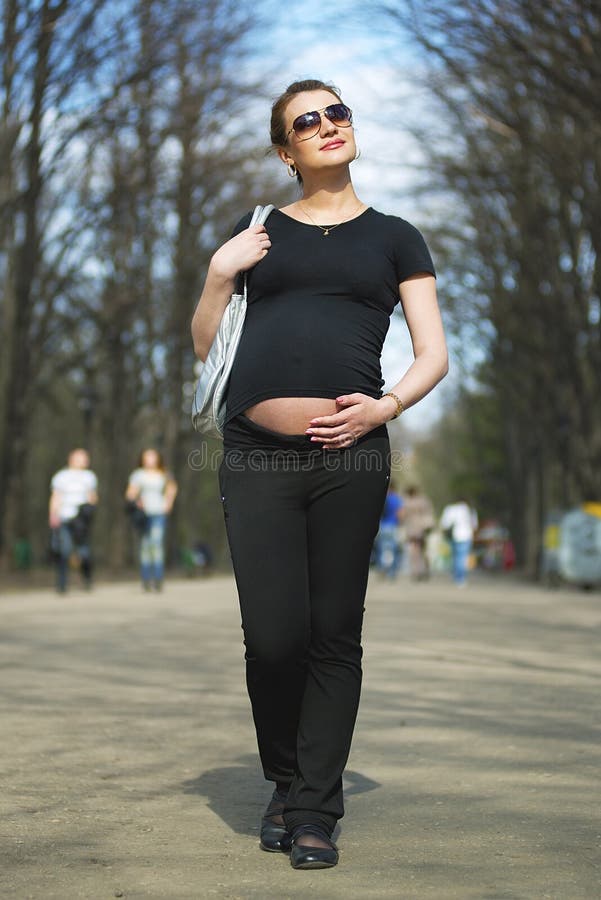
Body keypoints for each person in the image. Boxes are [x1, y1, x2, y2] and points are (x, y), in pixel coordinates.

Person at [191, 78, 448, 870]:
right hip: (255, 453)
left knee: (333, 634)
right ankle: (283, 774)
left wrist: (384, 408)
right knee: (273, 637)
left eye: (337, 112)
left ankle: (311, 808)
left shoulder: (396, 236)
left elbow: (433, 353)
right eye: (308, 120)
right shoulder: (256, 231)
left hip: (352, 454)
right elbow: (207, 349)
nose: (328, 125)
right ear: (285, 151)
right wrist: (217, 272)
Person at [125, 449, 178, 592]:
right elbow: (130, 493)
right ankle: (146, 580)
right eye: (147, 457)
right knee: (145, 547)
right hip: (144, 514)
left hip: (158, 513)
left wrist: (168, 503)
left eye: (152, 457)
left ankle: (158, 579)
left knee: (156, 544)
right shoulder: (138, 475)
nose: (150, 460)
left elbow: (172, 488)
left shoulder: (164, 473)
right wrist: (136, 500)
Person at [49, 448, 98, 593]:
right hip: (64, 517)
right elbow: (56, 496)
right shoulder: (61, 476)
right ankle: (61, 583)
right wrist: (53, 515)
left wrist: (90, 508)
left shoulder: (89, 477)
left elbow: (92, 496)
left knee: (84, 552)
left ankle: (87, 577)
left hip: (81, 519)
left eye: (85, 457)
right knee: (64, 550)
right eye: (80, 457)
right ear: (71, 459)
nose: (84, 460)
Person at [439, 497, 478, 586]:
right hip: (467, 536)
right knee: (462, 557)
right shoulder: (470, 510)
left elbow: (445, 523)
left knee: (456, 557)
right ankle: (460, 577)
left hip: (454, 536)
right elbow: (474, 525)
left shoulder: (452, 509)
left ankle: (457, 576)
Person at [403, 485, 435, 580]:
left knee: (414, 550)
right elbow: (429, 512)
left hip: (412, 529)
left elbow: (403, 515)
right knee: (423, 550)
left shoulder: (407, 502)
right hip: (423, 528)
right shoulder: (423, 500)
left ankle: (416, 571)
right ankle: (424, 569)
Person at [375, 481, 404, 578]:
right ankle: (391, 572)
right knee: (393, 549)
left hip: (382, 526)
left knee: (382, 549)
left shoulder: (382, 497)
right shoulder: (396, 499)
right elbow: (400, 514)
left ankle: (381, 569)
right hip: (392, 527)